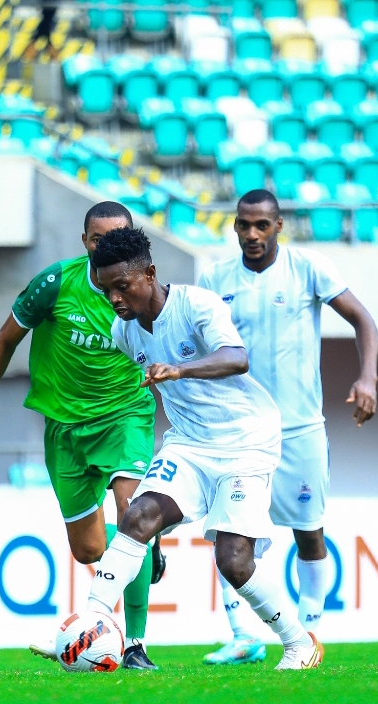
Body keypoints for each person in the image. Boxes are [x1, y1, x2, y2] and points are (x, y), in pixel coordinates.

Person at [82, 226, 323, 671]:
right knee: (136, 517)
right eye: (106, 290)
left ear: (149, 274)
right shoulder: (125, 331)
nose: (114, 299)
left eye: (122, 287)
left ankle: (299, 643)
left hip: (245, 441)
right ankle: (91, 621)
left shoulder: (197, 304)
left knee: (233, 562)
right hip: (190, 443)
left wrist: (180, 369)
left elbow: (237, 358)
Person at [0, 202, 164, 670]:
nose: (108, 246)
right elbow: (5, 341)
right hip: (64, 429)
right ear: (85, 241)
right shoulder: (55, 284)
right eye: (99, 238)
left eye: (118, 237)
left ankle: (135, 645)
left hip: (124, 415)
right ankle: (144, 545)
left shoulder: (141, 288)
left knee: (133, 513)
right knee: (88, 549)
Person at [196, 189, 378, 665]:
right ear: (234, 227)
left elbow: (364, 321)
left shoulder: (308, 268)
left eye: (261, 225)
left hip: (299, 428)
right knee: (228, 534)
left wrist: (367, 377)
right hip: (239, 428)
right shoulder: (214, 277)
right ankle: (242, 635)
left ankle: (310, 631)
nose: (251, 234)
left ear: (279, 226)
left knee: (309, 533)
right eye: (243, 225)